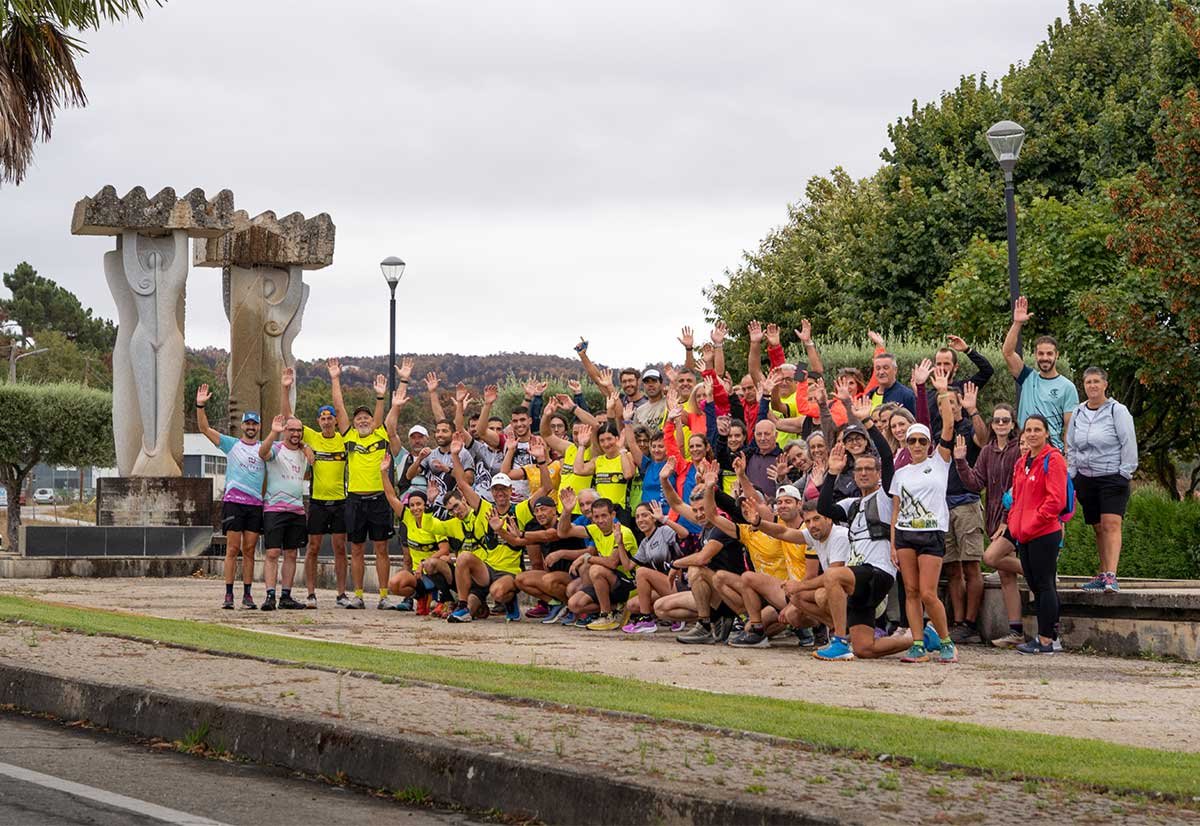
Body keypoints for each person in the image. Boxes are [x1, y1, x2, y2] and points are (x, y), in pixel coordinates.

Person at [889, 367, 958, 664]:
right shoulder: (901, 472)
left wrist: (942, 392)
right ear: (905, 444)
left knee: (929, 593)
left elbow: (949, 426)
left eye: (921, 441)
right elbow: (896, 509)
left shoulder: (939, 462)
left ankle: (946, 642)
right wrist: (893, 543)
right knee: (911, 591)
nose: (916, 445)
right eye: (911, 441)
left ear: (929, 444)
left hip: (931, 534)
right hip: (905, 534)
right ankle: (917, 643)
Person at [282, 362, 348, 609]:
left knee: (340, 548)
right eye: (323, 418)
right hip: (318, 501)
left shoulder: (344, 439)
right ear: (318, 421)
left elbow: (343, 413)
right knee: (314, 547)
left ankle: (341, 594)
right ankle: (310, 593)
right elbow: (290, 419)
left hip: (340, 501)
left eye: (330, 418)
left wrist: (335, 380)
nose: (327, 421)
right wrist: (286, 388)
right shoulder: (312, 437)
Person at [958, 400, 1024, 647]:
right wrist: (961, 461)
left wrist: (1007, 521)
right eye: (996, 420)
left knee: (990, 558)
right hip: (993, 519)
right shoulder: (987, 451)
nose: (1000, 424)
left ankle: (1039, 571)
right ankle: (1016, 631)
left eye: (1005, 420)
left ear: (1013, 423)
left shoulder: (1019, 449)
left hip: (1014, 519)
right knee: (1006, 577)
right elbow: (975, 483)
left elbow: (1019, 489)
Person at [1066, 367, 1138, 593]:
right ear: (1083, 386)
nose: (1092, 386)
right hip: (1086, 478)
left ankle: (1112, 576)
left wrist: (1125, 473)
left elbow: (1128, 442)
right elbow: (1071, 444)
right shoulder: (1078, 412)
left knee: (1111, 524)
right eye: (1088, 382)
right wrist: (1072, 473)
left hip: (1112, 476)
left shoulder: (1118, 410)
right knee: (1098, 527)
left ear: (1105, 385)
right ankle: (1103, 572)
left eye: (1097, 381)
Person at [196, 384, 264, 610]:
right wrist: (200, 405)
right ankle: (228, 594)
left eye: (255, 424)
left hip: (255, 505)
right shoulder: (232, 444)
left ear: (259, 427)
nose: (251, 427)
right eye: (248, 423)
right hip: (234, 503)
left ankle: (247, 594)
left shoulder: (265, 449)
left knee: (250, 550)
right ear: (243, 426)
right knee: (233, 549)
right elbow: (204, 429)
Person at [445, 435, 526, 623]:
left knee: (497, 592)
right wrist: (455, 456)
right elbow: (463, 485)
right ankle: (463, 606)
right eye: (496, 490)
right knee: (463, 557)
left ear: (510, 490)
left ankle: (509, 599)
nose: (500, 493)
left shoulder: (519, 509)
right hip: (487, 569)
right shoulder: (486, 509)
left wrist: (541, 461)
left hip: (509, 570)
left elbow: (544, 489)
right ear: (491, 492)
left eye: (504, 489)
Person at [337, 371, 399, 609]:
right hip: (355, 500)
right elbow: (339, 406)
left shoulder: (381, 433)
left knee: (381, 548)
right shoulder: (349, 436)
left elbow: (384, 416)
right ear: (353, 423)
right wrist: (335, 378)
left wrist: (380, 398)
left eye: (367, 418)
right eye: (358, 418)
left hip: (380, 499)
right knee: (356, 549)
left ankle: (384, 596)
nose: (363, 421)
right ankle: (359, 595)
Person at [1009, 414, 1069, 654]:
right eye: (1028, 430)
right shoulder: (1022, 461)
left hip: (1044, 532)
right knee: (1035, 584)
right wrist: (1015, 524)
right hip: (1023, 533)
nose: (1032, 434)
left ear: (1046, 433)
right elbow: (1015, 498)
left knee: (1045, 585)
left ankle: (1046, 639)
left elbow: (1056, 500)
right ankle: (1049, 634)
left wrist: (1034, 522)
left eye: (1037, 429)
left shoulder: (1053, 460)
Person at [1002, 296, 1079, 448]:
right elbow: (1007, 352)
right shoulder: (1027, 377)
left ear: (1056, 355)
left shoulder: (1067, 387)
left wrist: (1068, 457)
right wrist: (1017, 323)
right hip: (1023, 449)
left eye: (1049, 354)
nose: (1045, 358)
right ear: (1035, 355)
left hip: (1051, 451)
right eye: (1041, 354)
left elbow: (1070, 428)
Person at [555, 492, 639, 630]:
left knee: (594, 568)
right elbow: (563, 532)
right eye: (596, 517)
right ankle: (617, 608)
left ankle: (606, 616)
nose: (600, 520)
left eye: (604, 515)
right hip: (610, 582)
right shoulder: (595, 529)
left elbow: (612, 563)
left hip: (629, 584)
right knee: (574, 604)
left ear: (613, 515)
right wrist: (567, 511)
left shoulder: (623, 532)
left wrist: (586, 557)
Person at [380, 455, 452, 614]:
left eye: (418, 504)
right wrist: (384, 473)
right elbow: (391, 497)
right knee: (395, 583)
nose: (415, 508)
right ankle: (421, 596)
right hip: (418, 575)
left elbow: (445, 549)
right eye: (412, 505)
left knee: (438, 561)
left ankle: (443, 599)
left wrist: (424, 563)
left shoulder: (433, 521)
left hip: (434, 572)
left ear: (425, 505)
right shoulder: (408, 518)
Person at [257, 415, 314, 611]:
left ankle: (286, 595)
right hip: (275, 508)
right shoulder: (277, 449)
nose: (296, 434)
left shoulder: (303, 452)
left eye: (299, 430)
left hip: (297, 510)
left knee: (291, 553)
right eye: (292, 430)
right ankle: (270, 595)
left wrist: (306, 447)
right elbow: (262, 452)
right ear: (285, 430)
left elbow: (313, 461)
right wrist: (274, 432)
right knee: (272, 552)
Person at [621, 500, 690, 633]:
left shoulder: (663, 530)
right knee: (632, 605)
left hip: (680, 585)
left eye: (645, 515)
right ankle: (676, 616)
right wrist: (620, 543)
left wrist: (664, 519)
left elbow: (684, 534)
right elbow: (628, 566)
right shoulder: (645, 543)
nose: (640, 520)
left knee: (642, 572)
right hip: (665, 586)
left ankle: (646, 620)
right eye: (637, 517)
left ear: (653, 517)